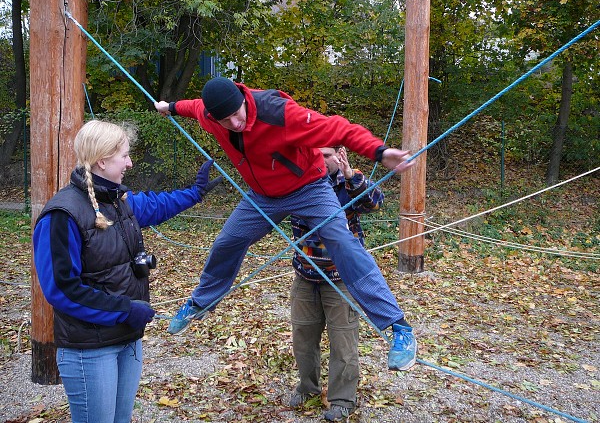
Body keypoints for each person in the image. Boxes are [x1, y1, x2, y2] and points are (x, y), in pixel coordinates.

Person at [154, 77, 417, 371]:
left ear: (243, 99)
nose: (235, 123)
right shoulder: (210, 114)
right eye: (225, 120)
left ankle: (398, 327)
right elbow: (193, 106)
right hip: (263, 196)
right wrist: (170, 107)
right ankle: (200, 302)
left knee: (343, 243)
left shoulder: (279, 113)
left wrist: (380, 152)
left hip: (310, 187)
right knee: (227, 241)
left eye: (237, 114)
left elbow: (337, 127)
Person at [32, 119, 221, 423]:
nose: (130, 163)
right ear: (103, 160)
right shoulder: (63, 215)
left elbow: (157, 204)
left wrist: (196, 192)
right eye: (124, 156)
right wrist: (124, 309)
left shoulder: (118, 201)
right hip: (90, 348)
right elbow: (61, 289)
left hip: (127, 339)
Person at [289, 146, 384, 421]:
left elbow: (375, 203)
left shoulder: (348, 183)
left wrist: (351, 175)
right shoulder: (298, 180)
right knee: (303, 338)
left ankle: (342, 399)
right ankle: (308, 388)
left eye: (327, 154)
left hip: (340, 277)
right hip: (305, 275)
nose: (320, 159)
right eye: (315, 153)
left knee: (343, 341)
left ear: (339, 154)